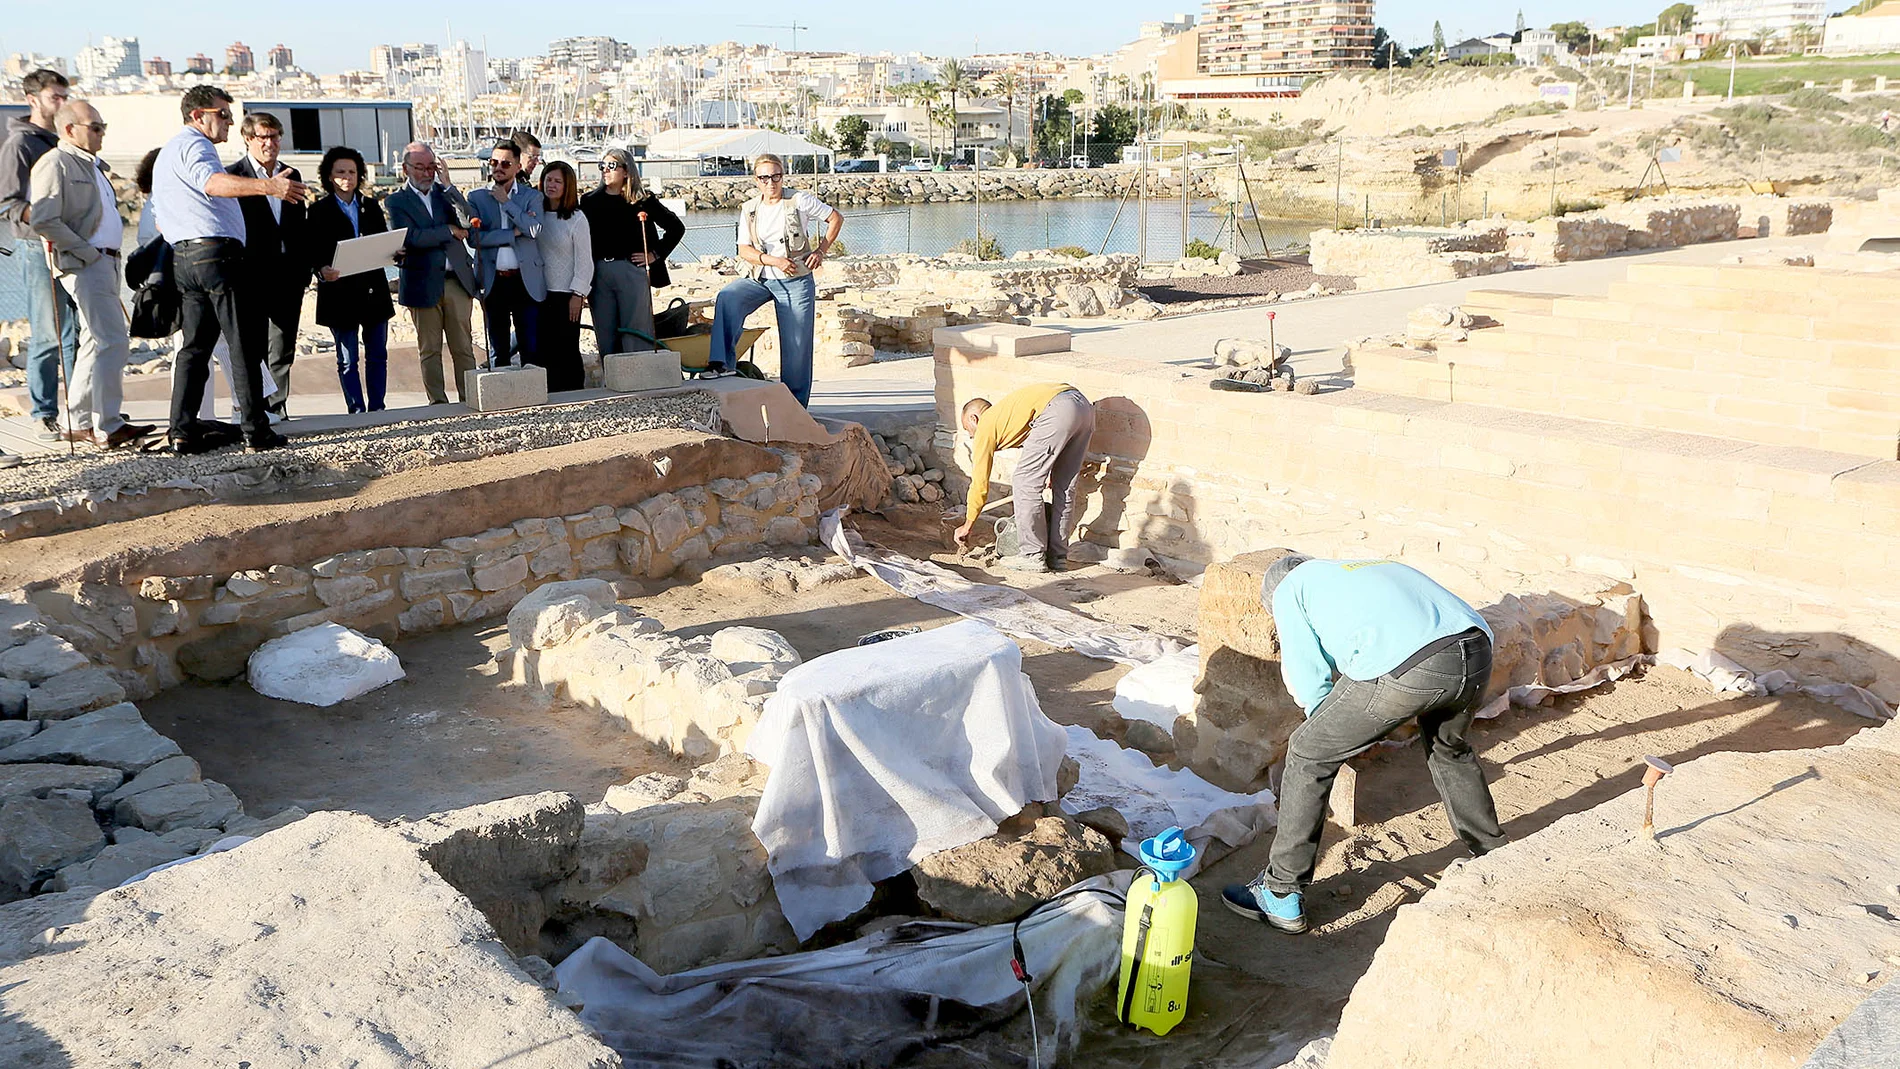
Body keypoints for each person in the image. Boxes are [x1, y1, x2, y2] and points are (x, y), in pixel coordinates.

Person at [1222, 555, 1505, 934]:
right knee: (1448, 748)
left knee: (1307, 752)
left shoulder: (1289, 588)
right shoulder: (1358, 569)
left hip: (1412, 664)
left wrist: (1329, 734)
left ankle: (1280, 891)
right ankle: (1493, 855)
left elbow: (1307, 677)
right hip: (1476, 648)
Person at [154, 85, 304, 453]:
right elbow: (213, 183)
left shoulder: (167, 153)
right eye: (222, 114)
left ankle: (182, 431)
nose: (229, 122)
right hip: (215, 255)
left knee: (195, 347)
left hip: (185, 256)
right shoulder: (196, 145)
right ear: (197, 116)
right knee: (244, 343)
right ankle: (255, 430)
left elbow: (160, 215)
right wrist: (269, 187)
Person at [27, 101, 155, 449]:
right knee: (113, 340)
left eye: (102, 127)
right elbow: (43, 219)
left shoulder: (92, 165)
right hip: (87, 262)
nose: (102, 134)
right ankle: (109, 424)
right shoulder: (56, 162)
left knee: (94, 340)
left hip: (105, 261)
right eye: (95, 127)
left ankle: (77, 421)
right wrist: (87, 253)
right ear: (70, 130)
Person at [705, 153, 841, 405]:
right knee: (728, 297)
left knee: (796, 345)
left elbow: (835, 218)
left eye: (776, 176)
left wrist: (821, 251)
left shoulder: (799, 200)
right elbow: (744, 250)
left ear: (782, 176)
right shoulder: (749, 209)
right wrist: (774, 261)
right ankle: (721, 364)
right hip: (760, 278)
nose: (771, 182)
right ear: (756, 180)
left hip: (796, 280)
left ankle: (795, 405)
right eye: (764, 178)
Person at [0, 68, 77, 445]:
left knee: (78, 331)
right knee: (49, 333)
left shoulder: (66, 140)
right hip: (37, 247)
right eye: (54, 97)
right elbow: (8, 204)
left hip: (75, 244)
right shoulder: (19, 145)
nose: (61, 104)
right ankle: (44, 414)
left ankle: (84, 408)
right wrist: (48, 219)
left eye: (65, 97)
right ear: (32, 100)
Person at [952, 384, 1097, 573]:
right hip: (1084, 410)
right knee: (1064, 486)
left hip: (1057, 409)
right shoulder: (1008, 416)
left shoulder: (986, 424)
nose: (972, 436)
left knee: (1024, 482)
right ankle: (1058, 557)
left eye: (968, 429)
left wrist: (967, 525)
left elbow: (980, 483)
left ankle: (1032, 555)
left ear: (974, 418)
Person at [226, 112, 309, 419]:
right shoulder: (235, 176)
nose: (270, 143)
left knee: (283, 346)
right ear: (248, 139)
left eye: (275, 137)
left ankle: (278, 404)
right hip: (251, 275)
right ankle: (256, 408)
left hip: (289, 275)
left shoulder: (292, 174)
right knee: (253, 345)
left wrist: (305, 268)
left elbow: (298, 225)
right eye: (264, 137)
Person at [385, 142, 478, 405]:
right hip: (421, 282)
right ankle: (437, 402)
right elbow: (411, 237)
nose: (427, 173)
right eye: (420, 167)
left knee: (463, 347)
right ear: (406, 169)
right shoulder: (396, 201)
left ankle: (470, 398)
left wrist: (449, 186)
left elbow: (469, 222)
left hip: (456, 281)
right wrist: (447, 231)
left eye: (431, 167)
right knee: (429, 349)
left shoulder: (444, 194)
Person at [309, 146, 396, 414]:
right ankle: (356, 410)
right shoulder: (318, 210)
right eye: (340, 172)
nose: (347, 177)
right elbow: (311, 252)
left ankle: (377, 408)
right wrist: (321, 270)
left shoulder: (371, 207)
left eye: (352, 172)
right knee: (347, 358)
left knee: (377, 355)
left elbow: (381, 243)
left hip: (373, 291)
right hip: (339, 293)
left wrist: (395, 251)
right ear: (329, 176)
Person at [580, 147, 678, 355]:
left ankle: (639, 372)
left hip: (631, 270)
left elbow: (676, 228)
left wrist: (654, 255)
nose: (605, 170)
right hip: (598, 272)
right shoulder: (589, 201)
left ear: (626, 171)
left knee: (636, 332)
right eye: (602, 166)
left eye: (611, 165)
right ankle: (611, 373)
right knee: (605, 334)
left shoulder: (643, 201)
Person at [467, 140, 544, 369]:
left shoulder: (532, 197)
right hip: (493, 281)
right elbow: (475, 239)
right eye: (494, 162)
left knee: (530, 346)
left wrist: (507, 203)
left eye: (505, 164)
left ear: (518, 167)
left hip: (525, 280)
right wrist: (513, 233)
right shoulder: (477, 197)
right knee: (497, 348)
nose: (498, 168)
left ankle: (531, 390)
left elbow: (534, 230)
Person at [533, 161, 592, 392]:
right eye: (548, 180)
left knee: (567, 348)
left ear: (567, 186)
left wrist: (578, 294)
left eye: (558, 181)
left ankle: (573, 394)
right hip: (538, 293)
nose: (552, 185)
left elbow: (585, 261)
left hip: (566, 295)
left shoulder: (577, 219)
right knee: (542, 349)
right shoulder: (535, 216)